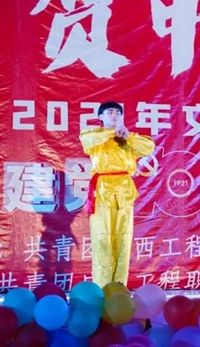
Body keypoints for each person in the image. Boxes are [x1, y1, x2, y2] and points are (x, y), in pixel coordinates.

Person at [79, 101, 155, 287]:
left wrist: (127, 135)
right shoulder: (93, 135)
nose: (114, 115)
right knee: (102, 238)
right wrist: (112, 132)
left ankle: (119, 288)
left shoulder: (129, 138)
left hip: (124, 190)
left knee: (123, 240)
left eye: (117, 113)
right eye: (110, 112)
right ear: (101, 117)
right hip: (102, 190)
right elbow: (87, 141)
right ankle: (101, 287)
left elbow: (148, 147)